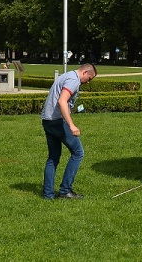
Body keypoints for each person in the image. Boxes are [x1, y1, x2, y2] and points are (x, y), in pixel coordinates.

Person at [41, 63, 97, 200]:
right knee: (78, 152)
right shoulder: (73, 80)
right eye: (89, 79)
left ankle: (48, 194)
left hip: (47, 120)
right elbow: (62, 101)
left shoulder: (66, 75)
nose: (88, 82)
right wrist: (71, 125)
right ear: (84, 72)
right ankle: (65, 190)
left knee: (53, 157)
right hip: (57, 122)